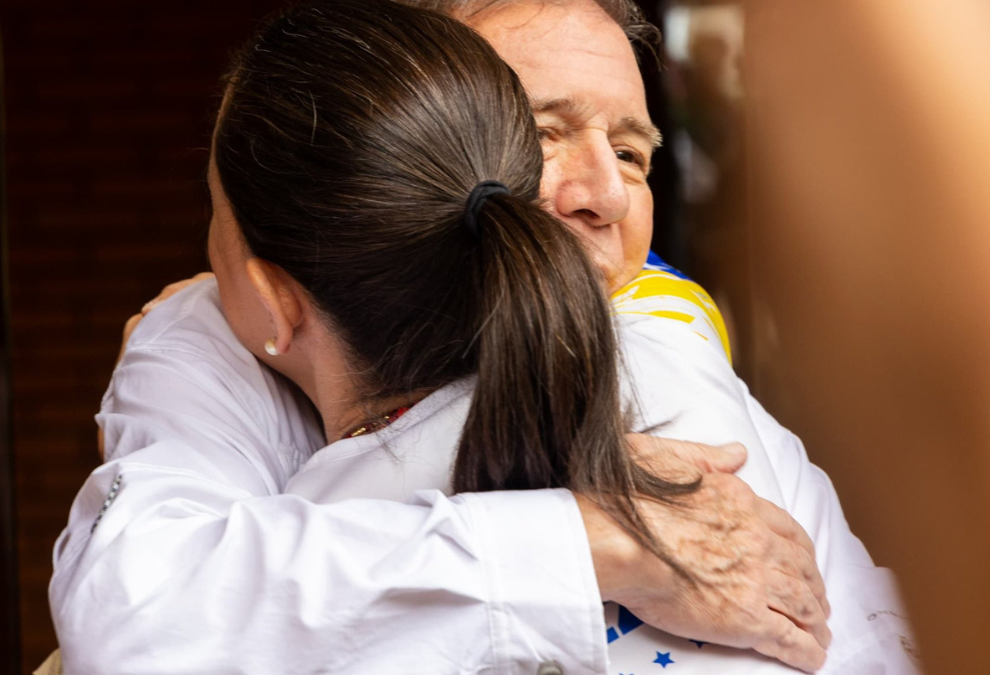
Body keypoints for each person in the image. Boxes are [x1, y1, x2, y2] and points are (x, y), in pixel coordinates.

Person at [51, 1, 838, 674]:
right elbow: (139, 608)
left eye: (632, 154)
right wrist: (592, 537)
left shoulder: (664, 341)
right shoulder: (211, 337)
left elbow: (868, 627)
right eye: (541, 132)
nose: (607, 193)